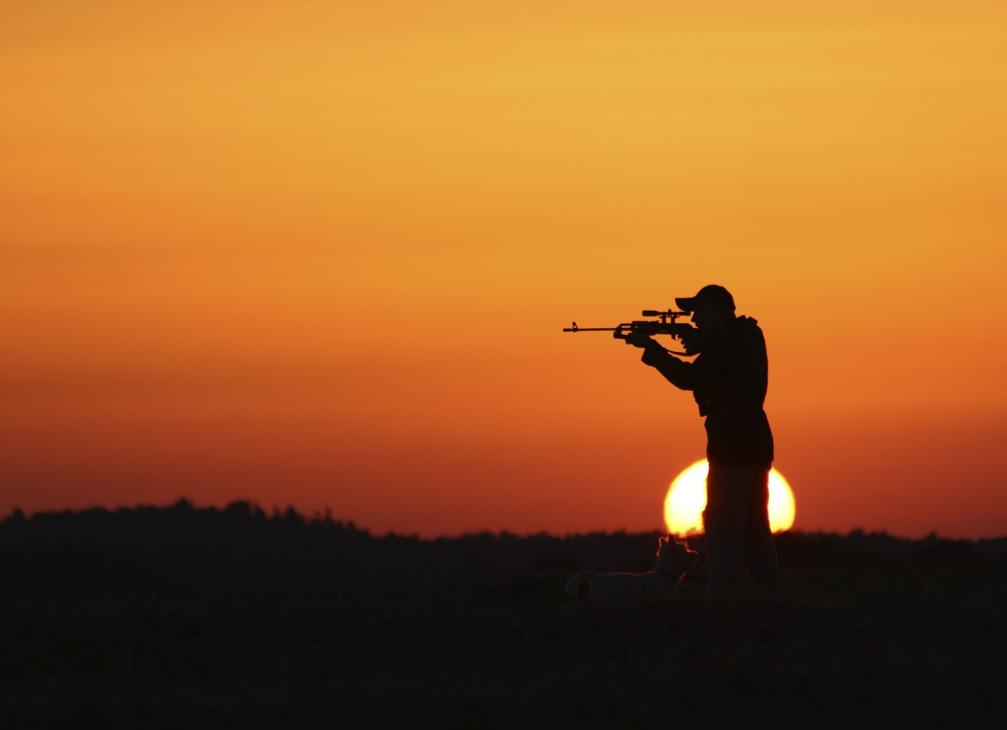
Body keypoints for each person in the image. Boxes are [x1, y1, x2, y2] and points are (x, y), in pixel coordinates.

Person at [623, 284, 781, 596]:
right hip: (754, 444)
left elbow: (690, 379)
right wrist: (701, 344)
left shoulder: (728, 343)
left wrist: (653, 351)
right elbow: (719, 364)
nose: (693, 318)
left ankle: (723, 594)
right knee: (753, 528)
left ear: (717, 310)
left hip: (732, 447)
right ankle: (770, 595)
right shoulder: (744, 337)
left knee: (723, 525)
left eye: (698, 311)